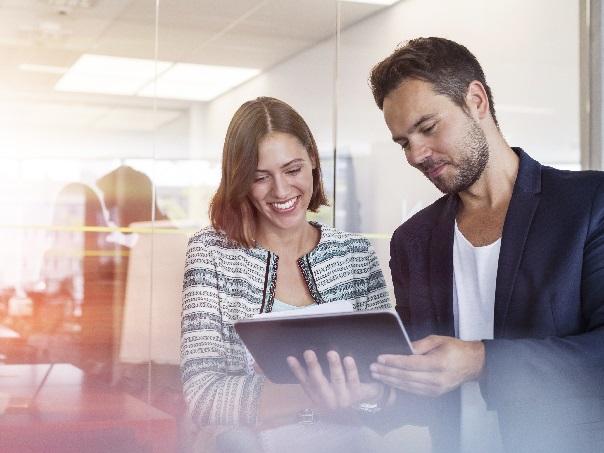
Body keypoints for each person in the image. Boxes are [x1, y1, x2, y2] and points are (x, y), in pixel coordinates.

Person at [360, 37, 604, 453]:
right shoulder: (412, 241)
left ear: (476, 100)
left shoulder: (589, 205)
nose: (416, 154)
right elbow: (419, 386)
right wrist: (371, 394)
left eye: (428, 127)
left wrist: (481, 361)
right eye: (403, 142)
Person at [180, 96, 391, 453]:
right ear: (240, 181)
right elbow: (202, 392)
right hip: (250, 440)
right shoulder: (211, 252)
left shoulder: (354, 253)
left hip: (349, 439)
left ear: (312, 159)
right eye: (260, 178)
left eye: (292, 170)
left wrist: (368, 393)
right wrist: (315, 396)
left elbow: (385, 381)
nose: (281, 191)